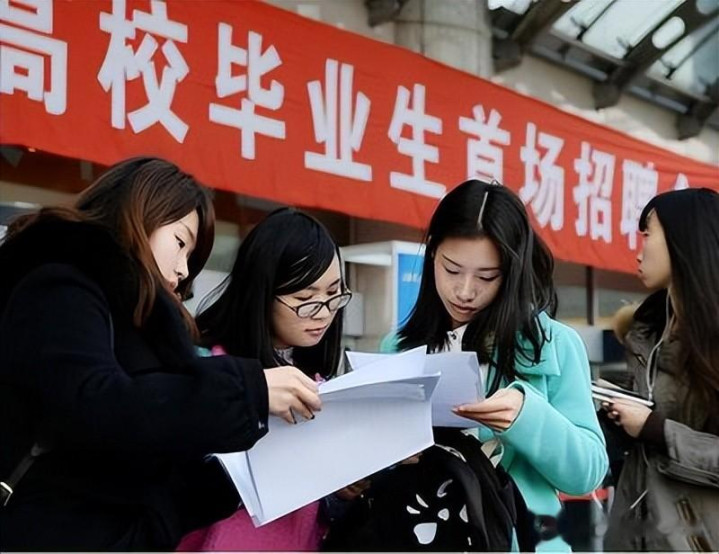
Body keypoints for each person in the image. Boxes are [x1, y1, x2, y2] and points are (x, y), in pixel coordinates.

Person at [0, 157, 321, 551]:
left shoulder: (138, 324)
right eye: (181, 243)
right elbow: (95, 405)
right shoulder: (60, 287)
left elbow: (157, 474)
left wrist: (247, 474)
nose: (183, 271)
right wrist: (249, 390)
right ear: (140, 212)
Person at [386, 179, 608, 551]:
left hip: (524, 540)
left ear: (512, 272)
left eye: (487, 276)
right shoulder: (398, 348)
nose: (465, 291)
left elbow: (587, 473)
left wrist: (527, 416)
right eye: (452, 270)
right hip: (423, 535)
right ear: (432, 254)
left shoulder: (553, 345)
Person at [177, 208, 352, 551]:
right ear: (261, 292)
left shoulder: (319, 379)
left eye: (334, 294)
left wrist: (341, 490)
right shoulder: (208, 366)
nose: (323, 313)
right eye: (304, 299)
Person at [603, 188, 719, 552]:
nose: (638, 251)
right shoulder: (647, 333)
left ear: (683, 238)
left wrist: (657, 430)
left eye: (647, 234)